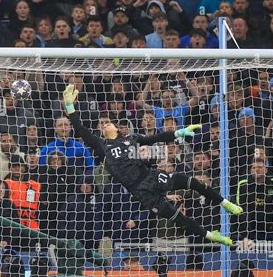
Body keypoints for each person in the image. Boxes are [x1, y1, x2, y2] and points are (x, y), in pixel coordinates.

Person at [63, 84, 243, 246]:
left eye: (108, 123)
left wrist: (179, 132)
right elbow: (80, 129)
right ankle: (213, 236)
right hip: (139, 191)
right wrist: (70, 107)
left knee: (191, 181)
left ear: (117, 129)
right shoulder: (102, 147)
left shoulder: (131, 139)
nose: (105, 125)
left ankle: (225, 203)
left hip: (150, 176)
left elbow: (155, 138)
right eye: (103, 124)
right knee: (178, 218)